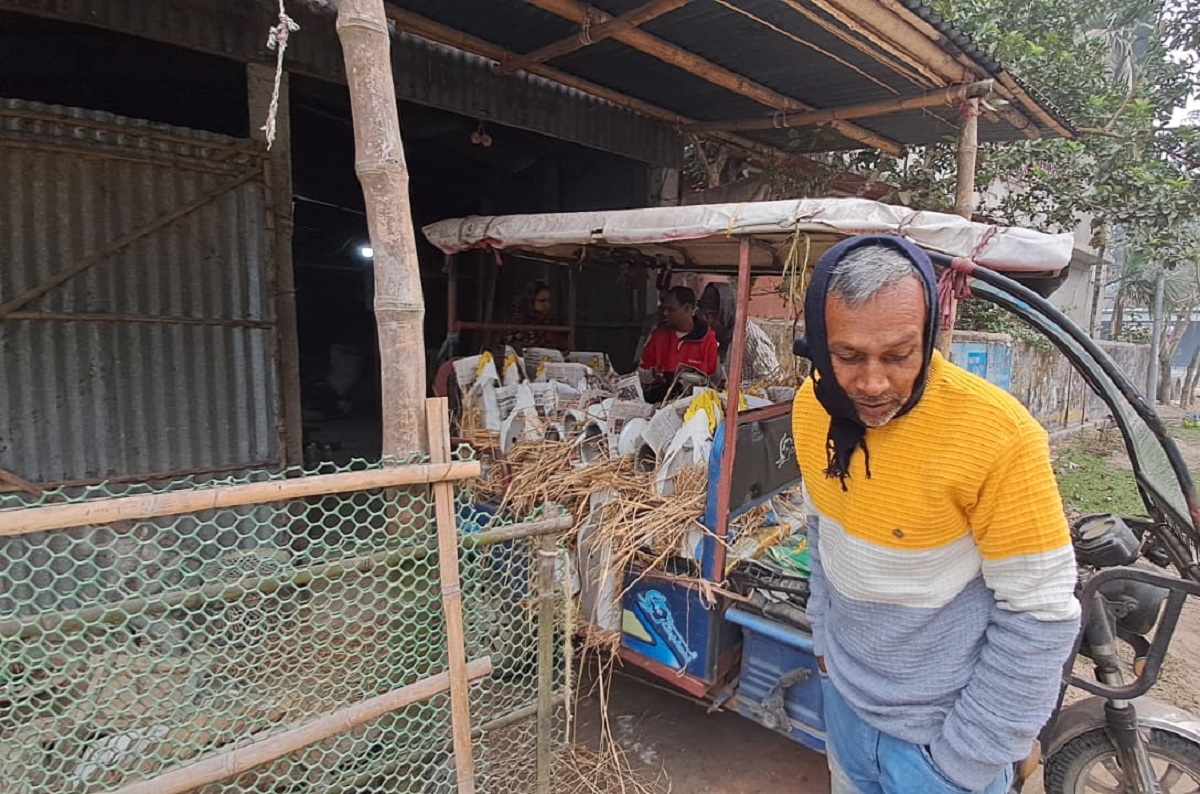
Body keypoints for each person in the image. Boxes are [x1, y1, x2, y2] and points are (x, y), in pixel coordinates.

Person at [790, 236, 1080, 794]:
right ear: (821, 347)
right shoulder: (813, 408)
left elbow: (1040, 614)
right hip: (845, 709)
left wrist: (964, 762)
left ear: (929, 338)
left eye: (898, 356)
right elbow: (824, 534)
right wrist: (825, 649)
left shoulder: (999, 436)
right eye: (847, 356)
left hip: (941, 743)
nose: (872, 384)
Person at [638, 286, 718, 403]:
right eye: (664, 309)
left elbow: (713, 380)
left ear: (687, 308)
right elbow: (642, 370)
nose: (665, 313)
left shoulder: (708, 339)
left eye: (671, 309)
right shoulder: (658, 336)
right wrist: (652, 374)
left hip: (694, 405)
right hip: (657, 403)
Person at [697, 282, 781, 385]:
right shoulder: (721, 337)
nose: (708, 321)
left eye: (712, 315)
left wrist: (736, 388)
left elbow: (773, 380)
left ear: (726, 312)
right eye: (705, 315)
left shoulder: (752, 338)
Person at [503, 280, 568, 353]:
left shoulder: (553, 323)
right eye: (541, 301)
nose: (546, 305)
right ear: (530, 301)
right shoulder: (517, 324)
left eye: (548, 301)